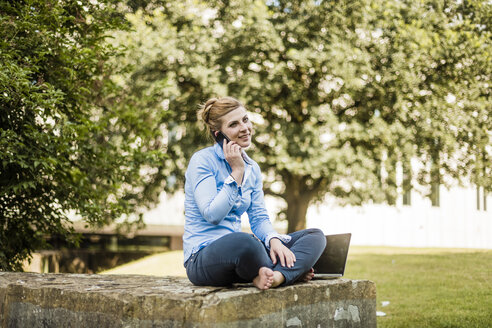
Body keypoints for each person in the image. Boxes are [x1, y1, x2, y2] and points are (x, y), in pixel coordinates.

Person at [183, 96, 326, 290]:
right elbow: (212, 214)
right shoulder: (202, 161)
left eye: (245, 119)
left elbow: (258, 217)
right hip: (203, 258)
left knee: (315, 236)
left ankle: (276, 276)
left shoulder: (252, 167)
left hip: (241, 257)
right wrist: (236, 173)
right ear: (219, 135)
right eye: (234, 124)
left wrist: (273, 240)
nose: (244, 128)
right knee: (246, 241)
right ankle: (291, 271)